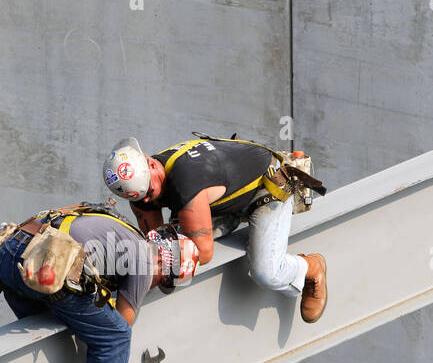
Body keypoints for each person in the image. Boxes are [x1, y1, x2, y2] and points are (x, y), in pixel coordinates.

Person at [0, 204, 198, 363]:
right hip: (46, 267)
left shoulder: (121, 232)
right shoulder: (145, 259)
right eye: (163, 280)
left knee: (61, 326)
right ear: (164, 262)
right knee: (117, 337)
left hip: (10, 257)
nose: (154, 286)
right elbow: (120, 325)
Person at [103, 135, 329, 322]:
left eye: (150, 193)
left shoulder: (185, 182)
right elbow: (154, 244)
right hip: (222, 199)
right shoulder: (142, 190)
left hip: (266, 187)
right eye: (139, 198)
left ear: (151, 164)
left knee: (266, 271)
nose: (145, 202)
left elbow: (203, 252)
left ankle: (310, 268)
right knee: (174, 245)